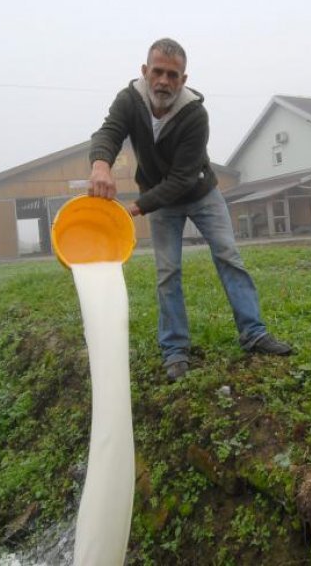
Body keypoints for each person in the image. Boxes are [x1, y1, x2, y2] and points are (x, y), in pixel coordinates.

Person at [88, 38, 292, 382]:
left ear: (183, 79)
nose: (164, 81)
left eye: (173, 74)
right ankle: (175, 351)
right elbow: (108, 132)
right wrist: (99, 165)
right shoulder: (129, 100)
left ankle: (253, 334)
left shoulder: (194, 113)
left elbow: (183, 179)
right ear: (145, 72)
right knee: (167, 272)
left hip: (200, 193)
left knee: (228, 256)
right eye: (158, 72)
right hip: (159, 197)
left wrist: (137, 207)